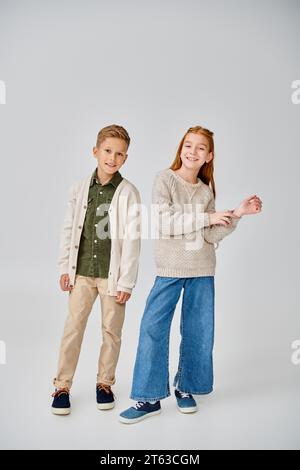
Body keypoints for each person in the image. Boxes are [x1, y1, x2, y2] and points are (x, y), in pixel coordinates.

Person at [119, 125, 262, 424]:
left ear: (208, 157)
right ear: (180, 148)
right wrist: (207, 217)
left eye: (200, 148)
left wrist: (235, 214)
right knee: (151, 328)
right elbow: (165, 222)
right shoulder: (165, 179)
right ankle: (148, 398)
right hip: (169, 270)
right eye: (188, 144)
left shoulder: (206, 191)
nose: (192, 151)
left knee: (198, 332)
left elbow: (210, 236)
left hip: (202, 269)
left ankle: (186, 388)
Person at [51, 124, 141, 415]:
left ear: (125, 158)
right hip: (82, 274)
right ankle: (62, 386)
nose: (112, 158)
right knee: (73, 328)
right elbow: (69, 229)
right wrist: (66, 267)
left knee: (111, 332)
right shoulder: (80, 189)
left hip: (111, 276)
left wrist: (126, 282)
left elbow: (132, 239)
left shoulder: (128, 193)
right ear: (95, 152)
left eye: (119, 154)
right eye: (107, 151)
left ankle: (104, 383)